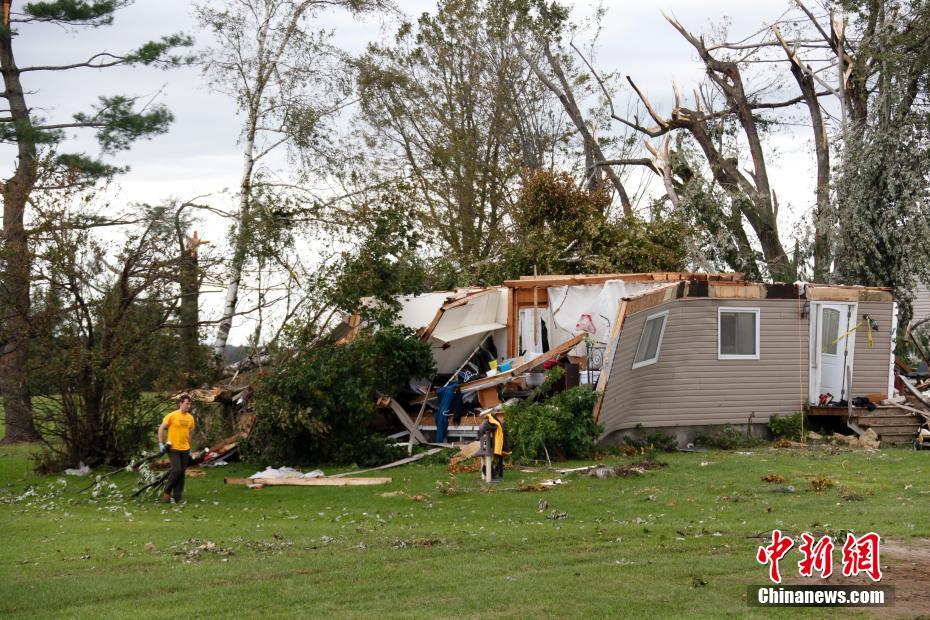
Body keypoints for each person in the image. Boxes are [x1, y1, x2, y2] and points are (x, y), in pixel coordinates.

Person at [158, 394, 195, 503]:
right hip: (173, 448)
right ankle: (167, 490)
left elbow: (190, 433)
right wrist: (161, 443)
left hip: (185, 449)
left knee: (182, 473)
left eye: (190, 404)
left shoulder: (190, 418)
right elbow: (161, 428)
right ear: (181, 403)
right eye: (187, 403)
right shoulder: (172, 415)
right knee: (176, 470)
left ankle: (178, 496)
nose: (189, 406)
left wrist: (190, 447)